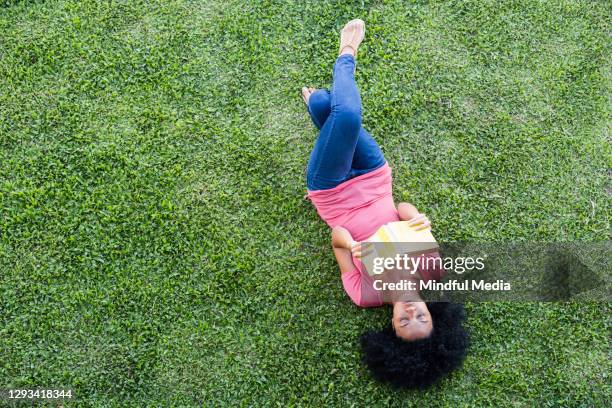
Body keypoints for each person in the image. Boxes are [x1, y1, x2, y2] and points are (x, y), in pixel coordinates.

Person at [301, 19, 468, 388]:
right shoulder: (431, 270)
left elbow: (336, 236)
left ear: (390, 327)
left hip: (332, 192)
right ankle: (319, 107)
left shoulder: (364, 295)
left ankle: (347, 53)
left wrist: (353, 246)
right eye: (420, 319)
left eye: (403, 323)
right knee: (330, 107)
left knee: (344, 114)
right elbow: (404, 210)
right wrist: (417, 217)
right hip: (376, 180)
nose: (410, 314)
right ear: (433, 316)